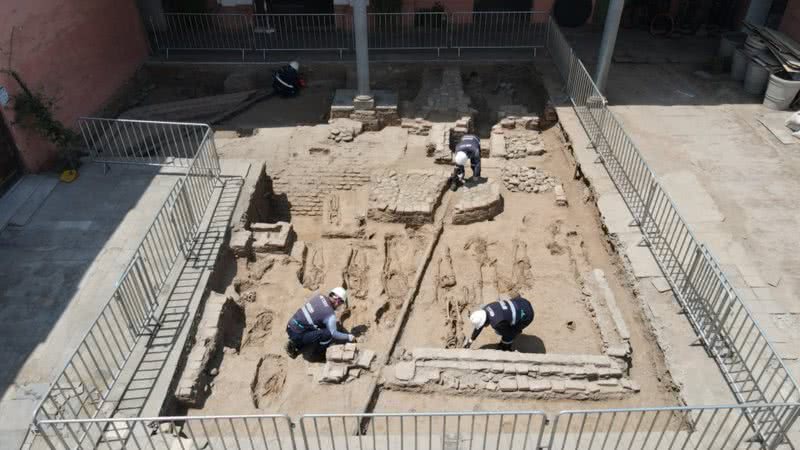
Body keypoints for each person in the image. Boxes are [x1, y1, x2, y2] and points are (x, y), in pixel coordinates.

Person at [285, 287, 355, 358]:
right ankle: (317, 355)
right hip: (297, 334)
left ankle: (295, 343)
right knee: (328, 334)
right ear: (337, 301)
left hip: (290, 326)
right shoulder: (330, 315)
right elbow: (334, 334)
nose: (340, 305)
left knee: (319, 324)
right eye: (341, 302)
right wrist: (349, 337)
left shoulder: (319, 296)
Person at [463, 295, 534, 351]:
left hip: (527, 314)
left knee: (507, 333)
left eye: (483, 325)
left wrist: (504, 344)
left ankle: (506, 347)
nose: (484, 326)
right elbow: (479, 325)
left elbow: (509, 334)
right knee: (503, 325)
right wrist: (471, 340)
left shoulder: (497, 323)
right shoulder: (486, 308)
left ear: (484, 322)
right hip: (521, 302)